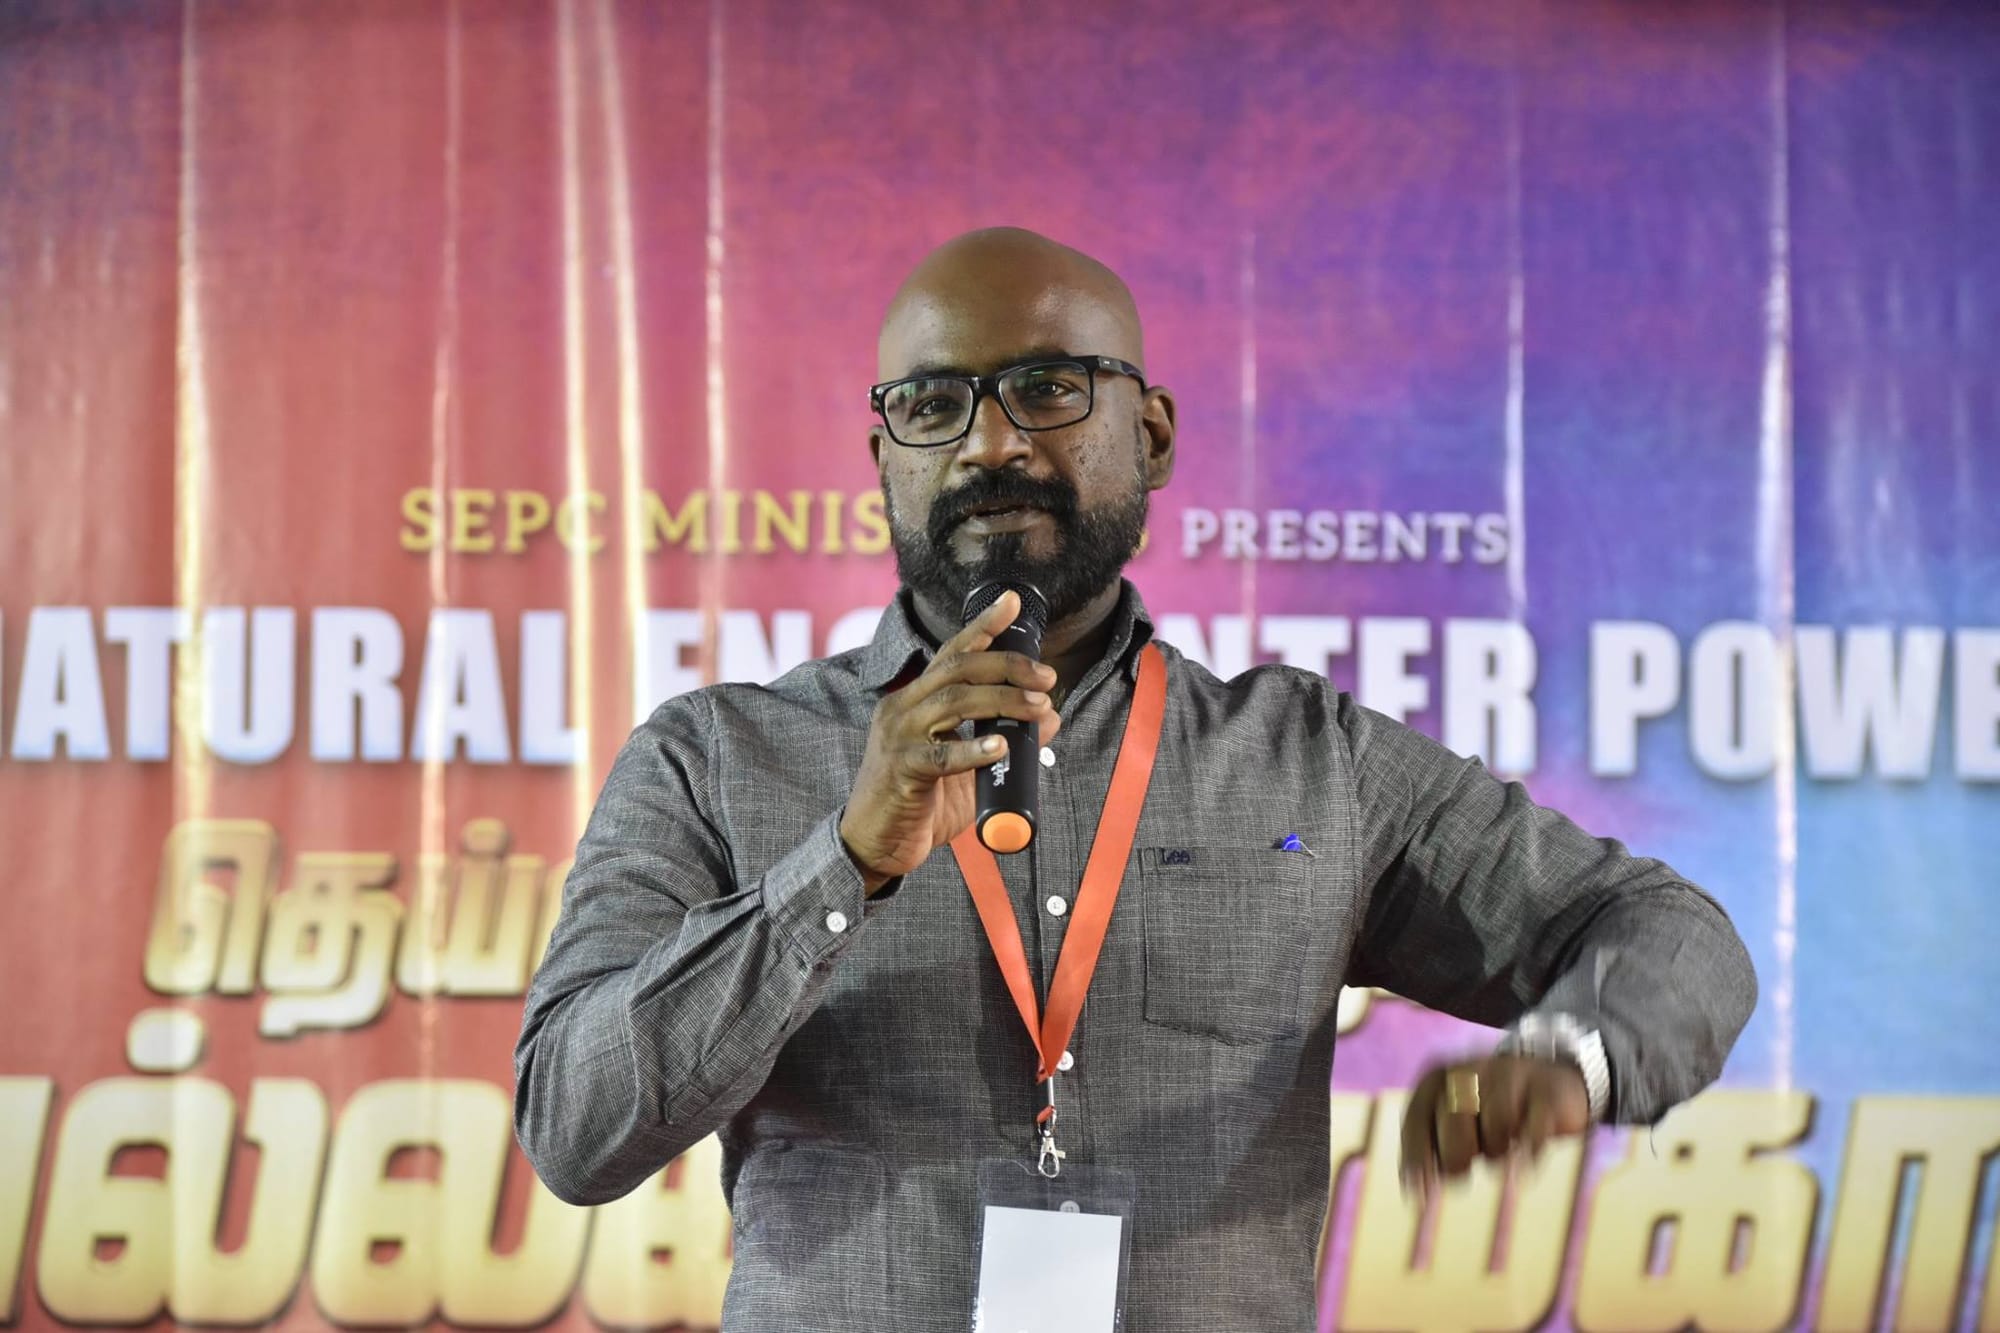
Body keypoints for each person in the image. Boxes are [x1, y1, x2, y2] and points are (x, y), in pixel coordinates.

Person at [513, 227, 1757, 1330]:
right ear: (885, 455)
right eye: (933, 404)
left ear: (1150, 435)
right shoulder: (715, 757)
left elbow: (1669, 931)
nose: (988, 443)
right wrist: (840, 866)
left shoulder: (1310, 764)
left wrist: (1566, 1059)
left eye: (1047, 388)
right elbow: (574, 1124)